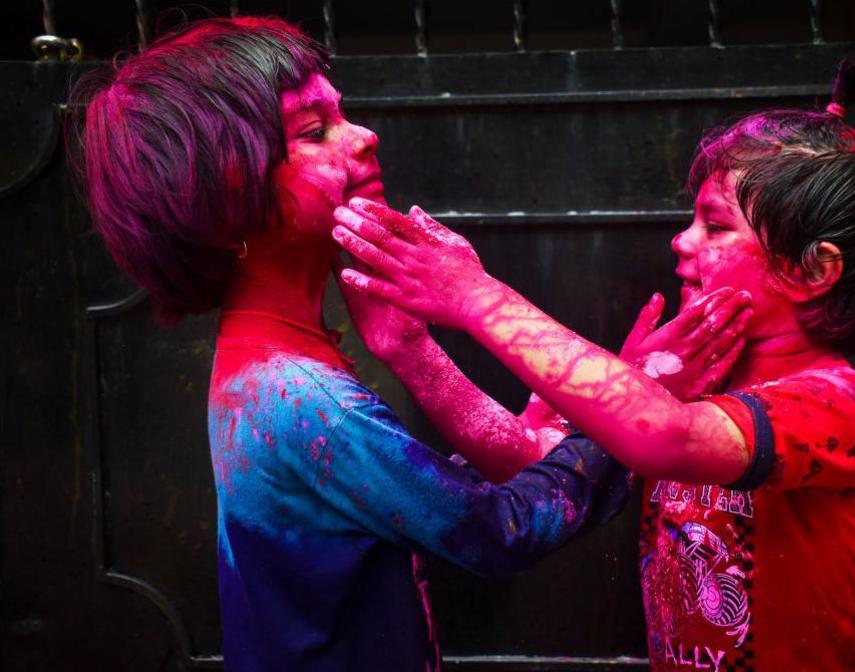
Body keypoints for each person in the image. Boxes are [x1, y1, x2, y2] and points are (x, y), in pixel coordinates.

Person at [66, 16, 747, 671]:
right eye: (314, 130)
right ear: (221, 195)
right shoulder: (297, 397)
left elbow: (426, 492)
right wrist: (645, 400)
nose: (363, 137)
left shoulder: (279, 363)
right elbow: (500, 528)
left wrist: (413, 350)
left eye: (342, 114)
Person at [333, 61, 855, 670]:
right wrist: (409, 347)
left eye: (716, 226)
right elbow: (526, 457)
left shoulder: (839, 403)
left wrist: (474, 295)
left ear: (812, 271)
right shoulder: (687, 377)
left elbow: (663, 435)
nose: (682, 241)